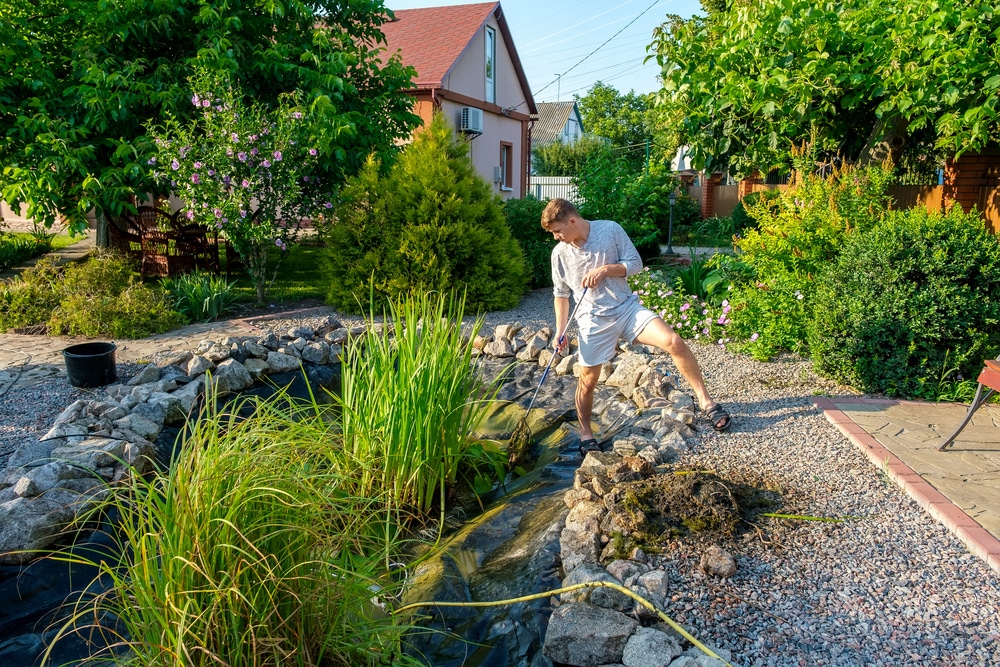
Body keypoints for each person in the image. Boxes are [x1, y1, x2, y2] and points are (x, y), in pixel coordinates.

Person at [541, 198, 731, 455]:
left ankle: (707, 402)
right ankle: (586, 433)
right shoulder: (560, 254)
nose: (556, 237)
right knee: (588, 379)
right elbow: (561, 295)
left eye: (557, 231)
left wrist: (607, 269)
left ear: (572, 221)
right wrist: (560, 331)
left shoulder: (609, 230)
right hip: (593, 321)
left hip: (627, 310)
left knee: (673, 341)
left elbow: (635, 264)